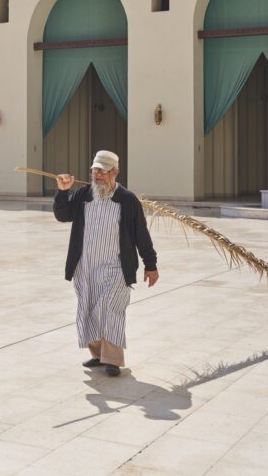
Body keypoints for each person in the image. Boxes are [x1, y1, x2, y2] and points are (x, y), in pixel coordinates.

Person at [54, 150, 158, 377]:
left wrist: (150, 264)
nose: (98, 175)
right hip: (86, 266)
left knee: (110, 308)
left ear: (116, 172)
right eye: (95, 170)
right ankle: (98, 355)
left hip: (116, 267)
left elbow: (141, 234)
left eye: (103, 170)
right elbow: (63, 216)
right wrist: (63, 192)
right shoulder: (83, 194)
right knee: (90, 307)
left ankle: (112, 359)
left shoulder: (127, 200)